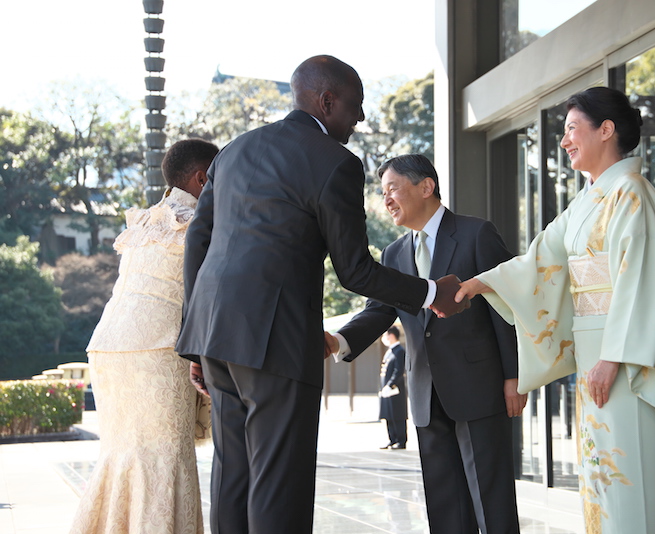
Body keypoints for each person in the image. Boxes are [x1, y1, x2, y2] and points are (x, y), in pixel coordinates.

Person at [174, 56, 467, 534]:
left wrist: (195, 338)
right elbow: (354, 270)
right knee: (278, 481)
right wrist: (433, 290)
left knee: (233, 475)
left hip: (215, 338)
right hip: (276, 340)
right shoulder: (336, 163)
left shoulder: (234, 150)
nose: (360, 118)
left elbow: (198, 241)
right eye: (355, 105)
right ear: (327, 101)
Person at [455, 87, 655, 533]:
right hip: (594, 351)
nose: (565, 142)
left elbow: (642, 279)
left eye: (572, 129)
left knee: (631, 466)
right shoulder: (588, 200)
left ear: (606, 130)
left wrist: (613, 357)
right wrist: (480, 283)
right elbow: (541, 258)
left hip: (625, 356)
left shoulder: (632, 193)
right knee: (603, 473)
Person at [326, 154, 526, 533]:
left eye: (392, 189)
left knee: (491, 499)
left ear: (426, 187)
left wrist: (514, 377)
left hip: (480, 389)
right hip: (424, 395)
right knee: (444, 502)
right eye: (381, 192)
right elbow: (379, 312)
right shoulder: (394, 253)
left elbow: (507, 306)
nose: (385, 200)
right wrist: (338, 341)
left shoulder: (476, 234)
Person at [69, 138, 219, 534]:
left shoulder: (147, 219)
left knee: (123, 457)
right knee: (165, 459)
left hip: (109, 347)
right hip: (157, 349)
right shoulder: (203, 220)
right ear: (203, 178)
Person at [378, 325, 408, 449]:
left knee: (398, 415)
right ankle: (392, 439)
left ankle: (401, 440)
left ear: (391, 335)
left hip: (395, 389)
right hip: (386, 390)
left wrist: (390, 384)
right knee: (388, 414)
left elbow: (399, 370)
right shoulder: (389, 351)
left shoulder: (399, 351)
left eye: (385, 335)